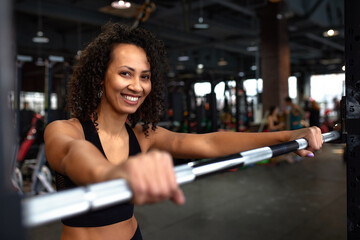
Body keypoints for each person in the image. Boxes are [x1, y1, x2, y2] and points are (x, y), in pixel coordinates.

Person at [44, 23, 323, 240]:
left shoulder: (144, 136)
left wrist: (287, 135)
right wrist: (114, 175)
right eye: (125, 73)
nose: (137, 86)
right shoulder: (64, 131)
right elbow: (75, 154)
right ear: (100, 77)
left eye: (145, 76)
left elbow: (211, 143)